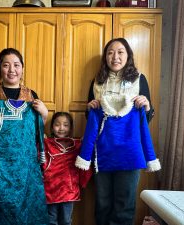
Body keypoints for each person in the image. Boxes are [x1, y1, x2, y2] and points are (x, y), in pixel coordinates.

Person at [75, 38, 161, 225]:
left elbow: (145, 119)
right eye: (110, 52)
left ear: (128, 55)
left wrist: (146, 107)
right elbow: (91, 119)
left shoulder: (139, 79)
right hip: (102, 152)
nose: (115, 57)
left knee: (125, 204)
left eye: (120, 52)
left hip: (129, 152)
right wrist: (89, 108)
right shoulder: (97, 81)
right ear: (105, 57)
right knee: (102, 203)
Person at [0, 48, 49, 225]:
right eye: (6, 65)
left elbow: (35, 131)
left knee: (24, 211)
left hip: (24, 167)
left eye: (16, 65)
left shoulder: (31, 95)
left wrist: (45, 114)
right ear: (0, 69)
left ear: (22, 68)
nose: (12, 70)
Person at [43, 112, 92, 225]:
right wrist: (41, 140)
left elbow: (86, 156)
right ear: (51, 127)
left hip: (69, 190)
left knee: (66, 220)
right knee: (51, 220)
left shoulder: (77, 144)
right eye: (57, 124)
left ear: (70, 128)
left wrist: (85, 143)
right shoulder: (46, 143)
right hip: (50, 190)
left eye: (66, 125)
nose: (61, 128)